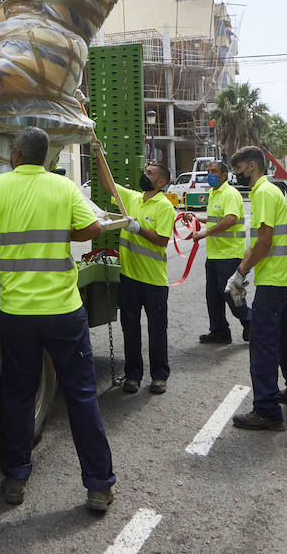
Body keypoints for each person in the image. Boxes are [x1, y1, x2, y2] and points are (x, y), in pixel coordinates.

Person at [0, 127, 115, 513]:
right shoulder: (63, 188)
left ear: (15, 154)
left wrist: (6, 221)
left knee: (17, 395)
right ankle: (98, 486)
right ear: (47, 157)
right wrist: (65, 231)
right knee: (81, 396)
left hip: (18, 313)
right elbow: (95, 227)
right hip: (63, 311)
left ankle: (15, 478)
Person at [231, 145, 287, 431]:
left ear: (252, 166)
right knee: (284, 338)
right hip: (279, 277)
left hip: (273, 279)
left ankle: (266, 410)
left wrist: (242, 271)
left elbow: (265, 243)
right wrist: (240, 271)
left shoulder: (265, 193)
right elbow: (258, 243)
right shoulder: (266, 192)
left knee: (263, 342)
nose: (236, 175)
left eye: (238, 169)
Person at [92, 142, 175, 395]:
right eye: (146, 170)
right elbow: (108, 184)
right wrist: (98, 154)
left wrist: (137, 228)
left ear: (160, 183)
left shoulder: (165, 206)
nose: (144, 174)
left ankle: (159, 376)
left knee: (157, 331)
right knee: (130, 329)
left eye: (150, 173)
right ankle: (133, 375)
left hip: (154, 282)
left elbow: (162, 241)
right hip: (129, 278)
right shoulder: (132, 198)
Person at [195, 161, 249, 345]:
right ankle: (219, 331)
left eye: (214, 171)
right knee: (213, 296)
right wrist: (197, 219)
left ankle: (250, 322)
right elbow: (215, 219)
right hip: (214, 255)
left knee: (231, 294)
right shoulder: (213, 193)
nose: (210, 174)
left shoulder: (230, 193)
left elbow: (230, 220)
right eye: (208, 171)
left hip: (230, 254)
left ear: (224, 175)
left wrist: (205, 233)